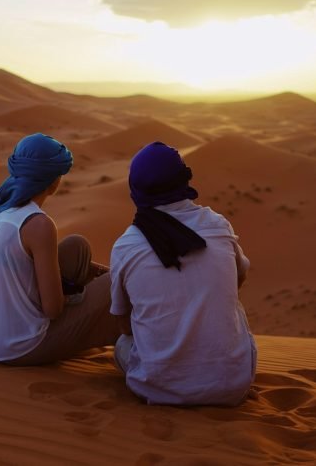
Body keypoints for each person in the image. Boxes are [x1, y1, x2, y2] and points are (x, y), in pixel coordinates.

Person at [110, 142, 256, 405]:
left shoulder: (126, 245)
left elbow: (123, 325)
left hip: (155, 388)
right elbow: (239, 278)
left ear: (135, 187)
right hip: (232, 387)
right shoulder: (218, 225)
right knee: (235, 306)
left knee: (122, 344)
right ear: (183, 178)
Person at [0, 133, 118, 365]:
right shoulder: (38, 224)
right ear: (54, 180)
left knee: (76, 248)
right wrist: (81, 294)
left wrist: (95, 274)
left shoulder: (0, 213)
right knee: (121, 281)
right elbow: (53, 309)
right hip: (25, 346)